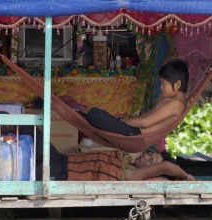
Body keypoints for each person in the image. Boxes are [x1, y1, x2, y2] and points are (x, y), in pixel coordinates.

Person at [81, 59, 189, 136]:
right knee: (88, 116)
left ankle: (77, 114)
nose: (161, 87)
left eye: (163, 83)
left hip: (134, 134)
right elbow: (145, 118)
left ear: (177, 84)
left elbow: (144, 123)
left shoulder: (177, 104)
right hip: (133, 130)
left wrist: (120, 120)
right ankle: (76, 114)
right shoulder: (174, 102)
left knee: (94, 114)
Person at [49, 143, 196, 181]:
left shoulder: (132, 175)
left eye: (150, 161)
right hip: (61, 159)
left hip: (60, 174)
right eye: (149, 154)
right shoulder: (125, 159)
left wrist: (186, 175)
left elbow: (166, 166)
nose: (145, 157)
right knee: (30, 129)